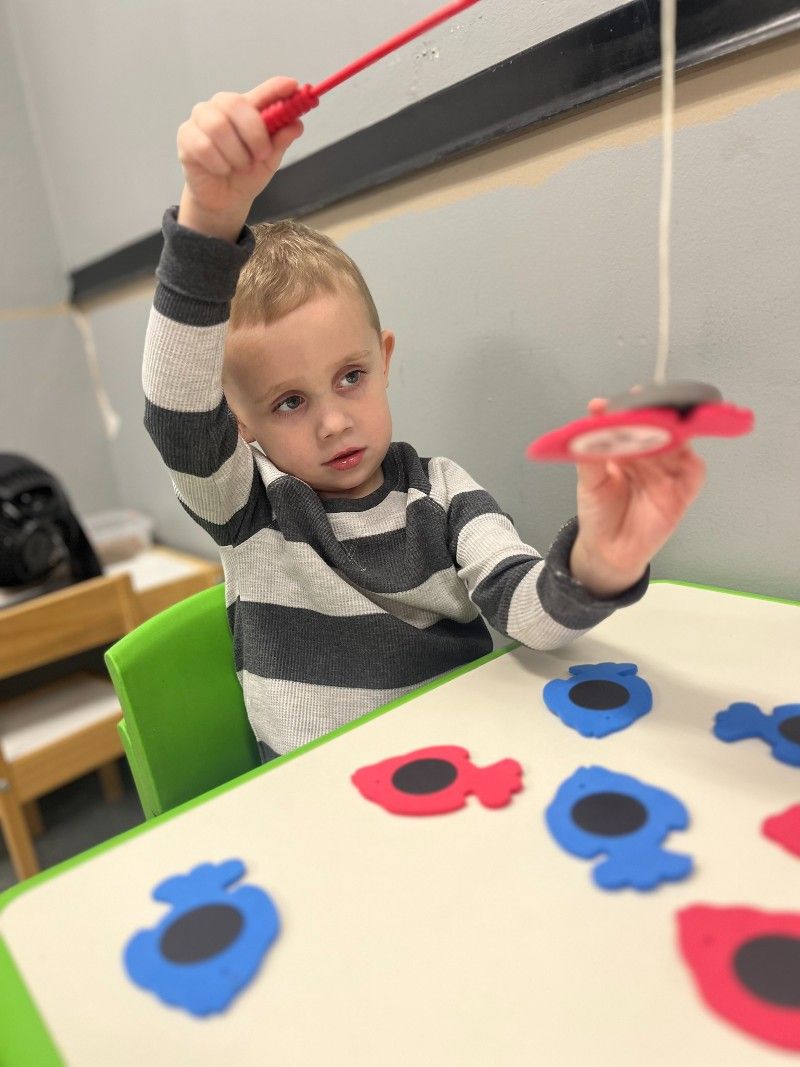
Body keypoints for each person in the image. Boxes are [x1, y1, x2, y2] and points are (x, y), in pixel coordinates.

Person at [143, 77, 706, 760]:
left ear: (384, 361)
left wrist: (599, 564)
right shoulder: (248, 507)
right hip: (317, 805)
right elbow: (175, 410)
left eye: (350, 378)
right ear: (240, 421)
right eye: (290, 401)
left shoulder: (443, 495)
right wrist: (208, 215)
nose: (332, 423)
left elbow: (527, 611)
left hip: (457, 776)